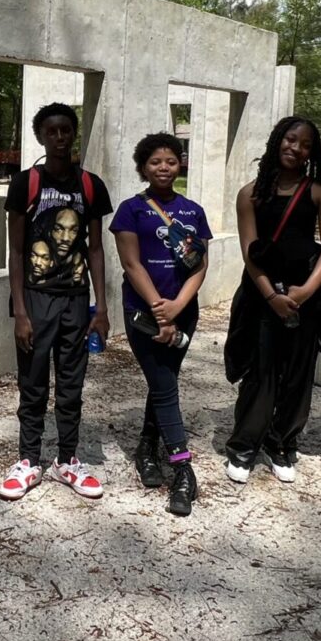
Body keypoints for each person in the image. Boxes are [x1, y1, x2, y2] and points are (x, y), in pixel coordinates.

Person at [0, 102, 113, 501]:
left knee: (71, 384)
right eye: (52, 131)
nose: (60, 137)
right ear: (41, 136)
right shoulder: (25, 183)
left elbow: (96, 250)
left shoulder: (90, 185)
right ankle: (29, 460)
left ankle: (67, 459)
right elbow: (14, 252)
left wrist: (101, 308)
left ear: (73, 134)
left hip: (76, 300)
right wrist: (20, 312)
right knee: (32, 383)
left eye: (66, 130)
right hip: (36, 296)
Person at [224, 117, 321, 485]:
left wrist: (305, 291)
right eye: (290, 139)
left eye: (305, 144)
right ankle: (244, 444)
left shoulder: (320, 191)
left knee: (297, 373)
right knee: (260, 371)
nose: (296, 148)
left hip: (305, 294)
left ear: (313, 152)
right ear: (277, 141)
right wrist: (271, 295)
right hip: (262, 294)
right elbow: (248, 251)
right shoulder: (250, 194)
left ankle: (282, 442)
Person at [111, 133, 211, 516]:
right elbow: (131, 264)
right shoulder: (130, 210)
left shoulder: (193, 210)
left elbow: (200, 264)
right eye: (155, 162)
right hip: (143, 313)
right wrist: (158, 309)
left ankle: (146, 448)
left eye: (171, 161)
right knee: (166, 387)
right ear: (142, 168)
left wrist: (178, 306)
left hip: (184, 311)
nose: (164, 168)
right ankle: (183, 467)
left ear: (179, 165)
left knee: (163, 381)